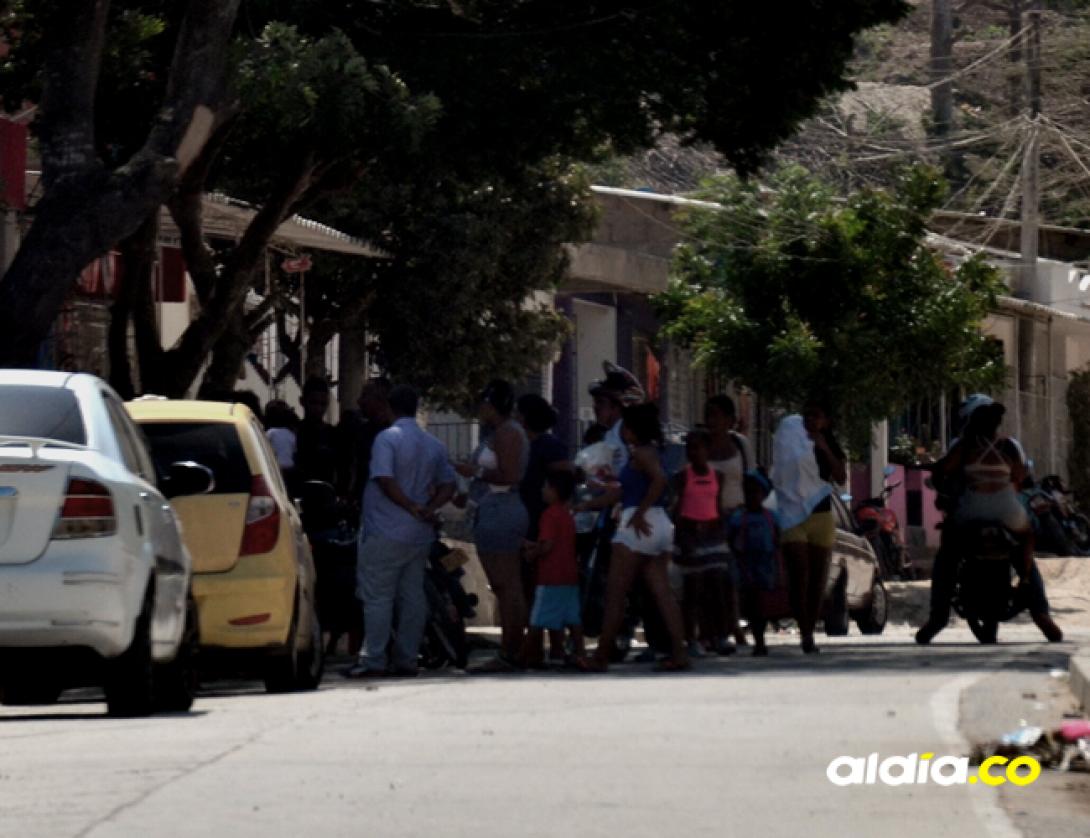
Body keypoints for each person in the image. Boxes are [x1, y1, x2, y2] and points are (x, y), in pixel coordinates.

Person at [916, 394, 1062, 644]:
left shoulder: (962, 445)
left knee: (947, 555)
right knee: (1025, 550)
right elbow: (1021, 476)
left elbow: (942, 471)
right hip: (1007, 511)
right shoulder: (1010, 445)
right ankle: (1041, 614)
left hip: (970, 511)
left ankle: (937, 618)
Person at [346, 385, 457, 678]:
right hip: (419, 534)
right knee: (412, 596)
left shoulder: (387, 438)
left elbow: (384, 478)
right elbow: (449, 484)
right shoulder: (434, 444)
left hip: (385, 528)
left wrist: (410, 506)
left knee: (378, 596)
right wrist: (430, 508)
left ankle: (374, 659)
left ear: (389, 407)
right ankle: (407, 658)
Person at [577, 403, 689, 672]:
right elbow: (623, 491)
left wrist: (639, 513)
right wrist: (588, 503)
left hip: (637, 523)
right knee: (663, 593)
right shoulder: (651, 452)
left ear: (633, 429)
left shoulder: (641, 453)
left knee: (615, 595)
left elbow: (659, 481)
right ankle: (679, 651)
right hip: (659, 523)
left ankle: (601, 655)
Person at [456, 380, 531, 672]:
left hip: (502, 510)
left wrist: (473, 471)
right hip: (490, 509)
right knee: (501, 585)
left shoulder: (508, 433)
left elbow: (509, 475)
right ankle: (511, 648)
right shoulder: (498, 433)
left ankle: (512, 650)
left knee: (507, 584)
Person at [771, 400, 847, 655]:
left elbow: (840, 477)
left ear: (826, 421)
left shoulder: (828, 443)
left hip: (820, 515)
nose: (811, 420)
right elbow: (780, 472)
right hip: (792, 515)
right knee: (799, 575)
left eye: (817, 416)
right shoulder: (790, 436)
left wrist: (823, 447)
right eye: (807, 415)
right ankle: (805, 629)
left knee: (817, 579)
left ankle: (808, 632)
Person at [516, 393, 573, 661]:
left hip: (542, 521)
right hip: (528, 520)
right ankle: (539, 646)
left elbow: (565, 478)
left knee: (544, 586)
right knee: (532, 588)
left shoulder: (548, 446)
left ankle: (553, 645)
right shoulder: (525, 445)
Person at [671, 430, 733, 657]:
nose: (693, 452)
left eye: (698, 447)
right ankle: (692, 639)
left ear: (708, 450)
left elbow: (717, 505)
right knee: (693, 591)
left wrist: (722, 530)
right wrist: (681, 536)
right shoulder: (681, 477)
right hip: (690, 536)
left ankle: (720, 636)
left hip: (713, 537)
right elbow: (677, 509)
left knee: (717, 588)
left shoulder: (718, 476)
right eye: (690, 448)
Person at [521, 471, 585, 668]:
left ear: (555, 491)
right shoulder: (567, 515)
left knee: (537, 618)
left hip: (550, 577)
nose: (543, 490)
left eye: (546, 487)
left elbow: (547, 545)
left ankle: (523, 655)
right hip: (569, 575)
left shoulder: (549, 515)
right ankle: (580, 652)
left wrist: (532, 553)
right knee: (573, 617)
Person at [704, 394, 752, 649]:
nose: (711, 421)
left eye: (717, 415)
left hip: (736, 518)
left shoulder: (740, 444)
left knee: (732, 578)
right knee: (709, 577)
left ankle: (734, 625)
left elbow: (751, 479)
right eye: (708, 415)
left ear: (730, 419)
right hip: (705, 521)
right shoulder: (699, 446)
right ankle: (711, 630)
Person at [727, 470, 782, 657]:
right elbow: (730, 540)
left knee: (762, 603)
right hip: (745, 565)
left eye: (756, 492)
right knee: (751, 603)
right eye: (748, 492)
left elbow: (778, 541)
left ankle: (760, 640)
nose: (752, 496)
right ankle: (757, 639)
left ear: (763, 494)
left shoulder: (771, 517)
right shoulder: (738, 518)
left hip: (766, 565)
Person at [295, 376, 339, 486]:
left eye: (323, 404)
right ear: (302, 401)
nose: (318, 409)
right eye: (313, 403)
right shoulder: (294, 432)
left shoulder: (333, 434)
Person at [264, 399, 299, 475]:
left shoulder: (270, 433)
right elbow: (294, 452)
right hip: (290, 467)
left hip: (276, 467)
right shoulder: (291, 434)